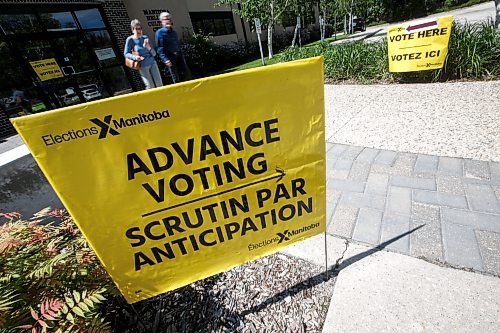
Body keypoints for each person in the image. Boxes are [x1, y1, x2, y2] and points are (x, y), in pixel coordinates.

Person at [124, 19, 163, 89]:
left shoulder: (145, 38)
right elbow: (126, 53)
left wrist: (148, 47)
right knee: (150, 86)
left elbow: (154, 54)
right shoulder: (130, 39)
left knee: (159, 84)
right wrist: (135, 57)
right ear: (133, 30)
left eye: (140, 28)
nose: (139, 31)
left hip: (152, 63)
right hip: (142, 65)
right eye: (137, 29)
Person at [155, 12, 192, 83]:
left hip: (179, 55)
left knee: (187, 74)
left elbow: (177, 44)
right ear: (161, 21)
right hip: (170, 57)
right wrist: (165, 59)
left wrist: (180, 54)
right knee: (175, 77)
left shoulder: (173, 32)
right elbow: (160, 49)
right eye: (165, 19)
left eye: (169, 19)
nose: (168, 20)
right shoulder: (159, 33)